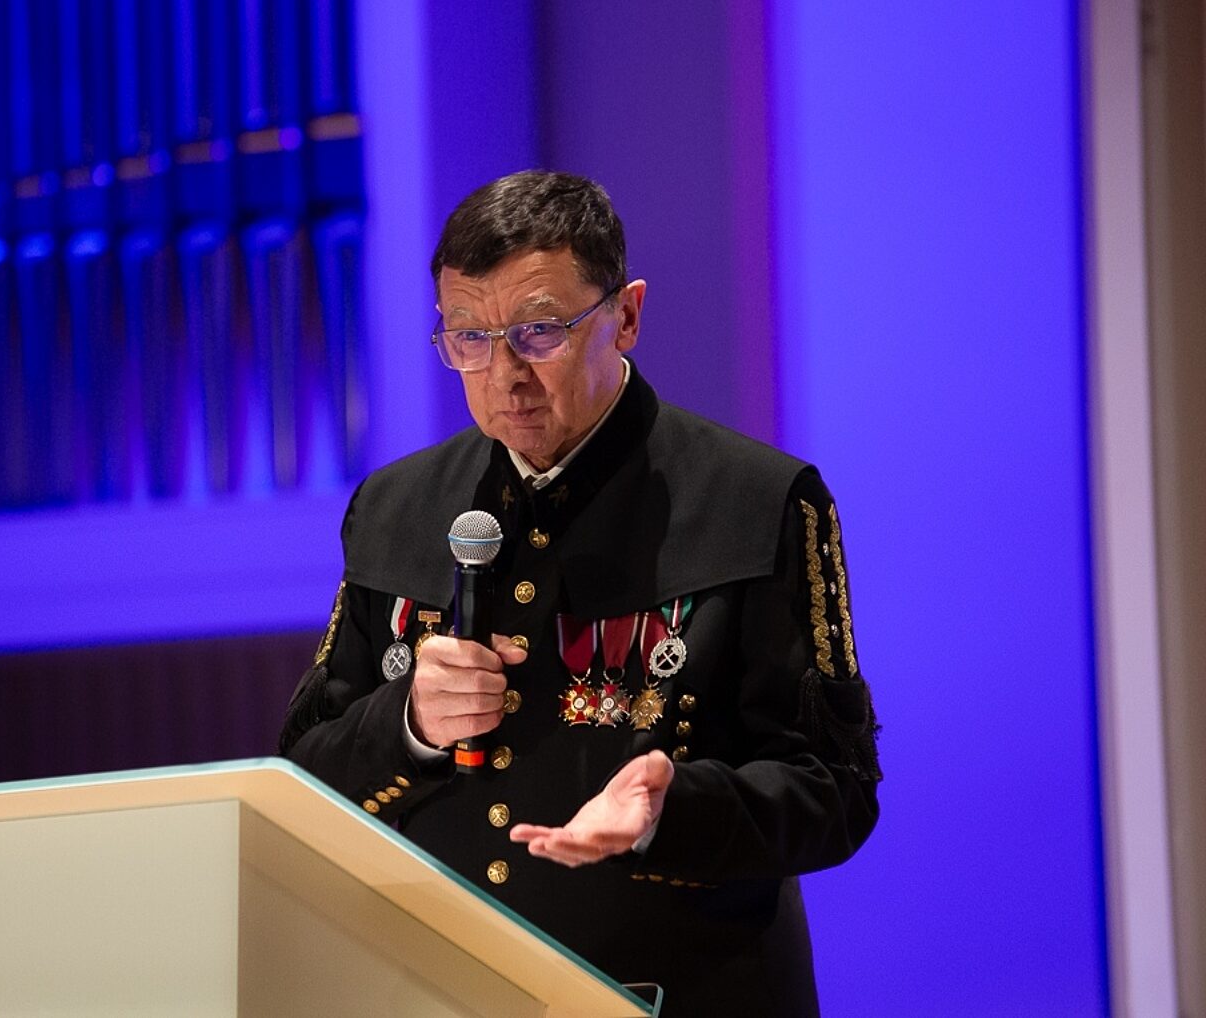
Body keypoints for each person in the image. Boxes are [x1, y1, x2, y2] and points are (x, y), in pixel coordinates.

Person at [279, 170, 880, 1015]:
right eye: (468, 337)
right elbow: (300, 773)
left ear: (626, 316)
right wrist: (407, 725)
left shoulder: (761, 501)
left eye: (539, 332)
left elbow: (837, 788)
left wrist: (672, 808)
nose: (505, 375)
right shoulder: (393, 507)